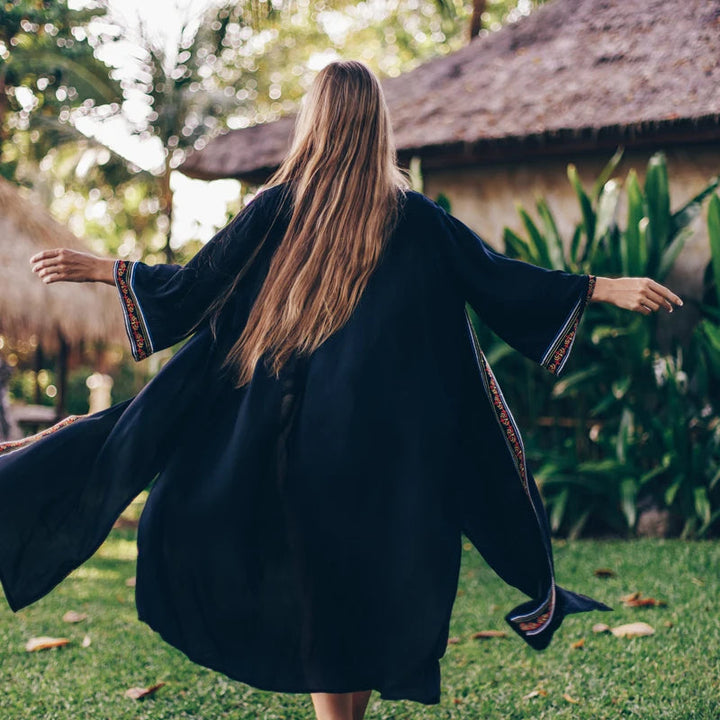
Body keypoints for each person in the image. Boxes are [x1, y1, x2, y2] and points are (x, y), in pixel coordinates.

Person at [1, 60, 682, 720]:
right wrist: (601, 286)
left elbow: (192, 287)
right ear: (376, 126)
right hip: (386, 457)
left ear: (316, 125)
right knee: (352, 600)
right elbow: (499, 277)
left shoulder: (282, 210)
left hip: (297, 446)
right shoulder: (413, 219)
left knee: (332, 606)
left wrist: (105, 268)